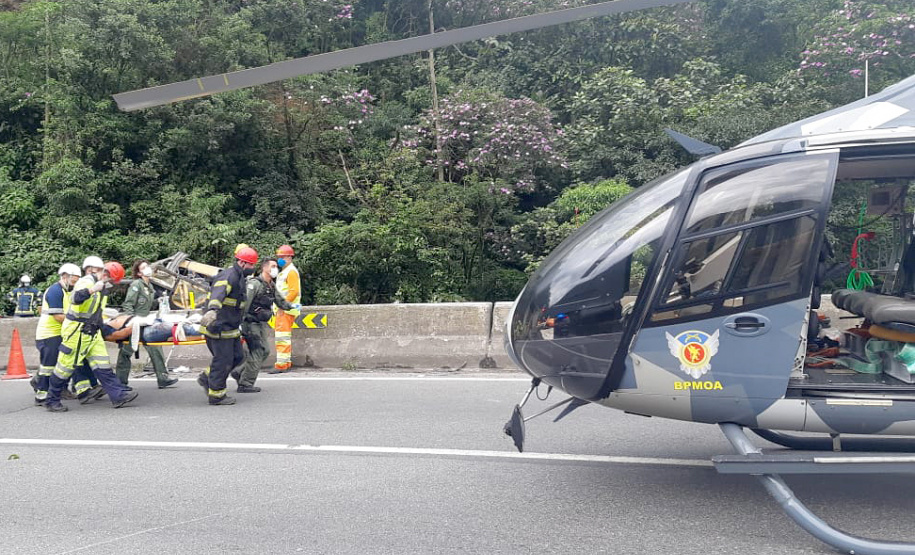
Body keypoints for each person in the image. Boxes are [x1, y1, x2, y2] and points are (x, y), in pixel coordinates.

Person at [44, 257, 138, 412]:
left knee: (103, 364)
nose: (112, 284)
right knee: (65, 367)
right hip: (77, 331)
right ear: (105, 273)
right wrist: (92, 289)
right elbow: (75, 298)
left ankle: (118, 395)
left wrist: (109, 331)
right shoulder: (87, 282)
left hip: (92, 331)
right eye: (112, 280)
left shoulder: (103, 289)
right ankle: (51, 399)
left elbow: (97, 313)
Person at [196, 247, 258, 405]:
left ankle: (206, 378)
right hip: (218, 325)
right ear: (242, 263)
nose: (252, 268)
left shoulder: (239, 277)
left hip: (230, 326)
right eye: (251, 265)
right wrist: (213, 310)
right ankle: (216, 395)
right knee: (223, 361)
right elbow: (219, 292)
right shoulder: (229, 275)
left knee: (238, 357)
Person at [231, 257, 300, 393]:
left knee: (265, 351)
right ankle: (245, 383)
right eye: (273, 266)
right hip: (250, 323)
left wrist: (292, 307)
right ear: (264, 268)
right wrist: (238, 323)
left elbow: (280, 301)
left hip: (260, 323)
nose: (275, 269)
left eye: (276, 266)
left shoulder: (270, 285)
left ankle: (240, 372)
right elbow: (245, 304)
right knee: (258, 351)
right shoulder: (254, 284)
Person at [115, 260, 179, 390]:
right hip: (135, 323)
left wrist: (159, 301)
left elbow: (147, 305)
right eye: (144, 267)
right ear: (139, 273)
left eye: (147, 266)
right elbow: (128, 304)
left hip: (146, 321)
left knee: (156, 347)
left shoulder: (149, 286)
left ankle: (163, 378)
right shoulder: (136, 285)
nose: (148, 268)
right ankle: (120, 383)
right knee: (126, 351)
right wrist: (131, 322)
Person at [33, 264, 86, 405]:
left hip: (61, 334)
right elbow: (58, 316)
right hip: (49, 335)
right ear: (64, 276)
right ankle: (41, 395)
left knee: (63, 364)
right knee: (48, 367)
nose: (75, 284)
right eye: (73, 281)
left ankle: (59, 389)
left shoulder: (68, 291)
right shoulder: (55, 291)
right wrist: (78, 322)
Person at [269, 244, 300, 373]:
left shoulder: (291, 271)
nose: (280, 259)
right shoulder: (285, 271)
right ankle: (285, 363)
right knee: (284, 337)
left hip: (286, 310)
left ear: (289, 257)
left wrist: (282, 306)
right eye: (279, 257)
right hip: (285, 309)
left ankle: (281, 365)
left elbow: (293, 292)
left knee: (282, 337)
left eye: (282, 257)